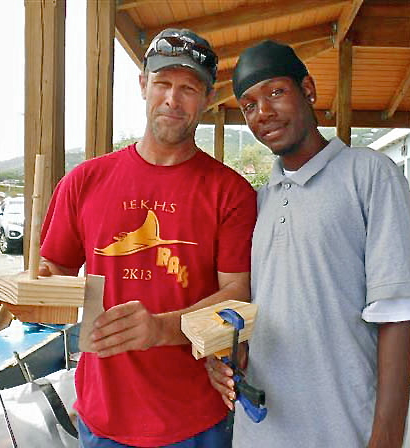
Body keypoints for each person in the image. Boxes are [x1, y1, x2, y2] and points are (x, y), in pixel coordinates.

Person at [39, 28, 257, 447]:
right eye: (162, 84)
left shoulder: (230, 192)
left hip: (196, 418)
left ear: (208, 98)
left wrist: (159, 329)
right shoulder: (84, 180)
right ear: (143, 86)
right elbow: (57, 273)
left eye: (189, 88)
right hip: (102, 415)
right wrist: (31, 288)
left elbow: (237, 294)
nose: (173, 100)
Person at [206, 40, 410, 447]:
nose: (264, 113)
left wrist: (387, 436)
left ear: (307, 89)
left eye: (275, 92)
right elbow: (261, 307)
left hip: (345, 428)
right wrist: (229, 354)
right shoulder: (260, 201)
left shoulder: (369, 174)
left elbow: (397, 313)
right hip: (261, 430)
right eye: (249, 105)